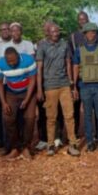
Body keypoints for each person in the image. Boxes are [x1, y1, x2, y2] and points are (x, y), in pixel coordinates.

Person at [36, 23, 80, 156]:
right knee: (51, 117)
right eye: (53, 31)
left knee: (69, 115)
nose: (56, 33)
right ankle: (50, 145)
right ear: (48, 33)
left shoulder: (64, 44)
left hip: (64, 84)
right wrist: (39, 88)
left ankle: (72, 144)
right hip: (50, 86)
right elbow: (39, 68)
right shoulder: (42, 46)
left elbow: (68, 63)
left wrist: (71, 83)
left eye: (57, 31)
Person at [72, 22, 98, 153]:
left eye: (94, 32)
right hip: (85, 87)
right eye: (89, 32)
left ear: (96, 34)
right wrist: (74, 87)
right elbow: (76, 67)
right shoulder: (79, 50)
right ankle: (89, 142)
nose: (91, 34)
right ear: (84, 34)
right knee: (87, 116)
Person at [0, 47, 38, 160]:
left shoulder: (28, 60)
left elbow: (33, 79)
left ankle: (26, 147)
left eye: (14, 61)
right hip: (11, 93)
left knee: (30, 118)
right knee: (8, 118)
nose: (12, 63)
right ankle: (15, 147)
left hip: (28, 91)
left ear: (18, 56)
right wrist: (3, 102)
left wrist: (27, 99)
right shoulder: (0, 63)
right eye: (9, 62)